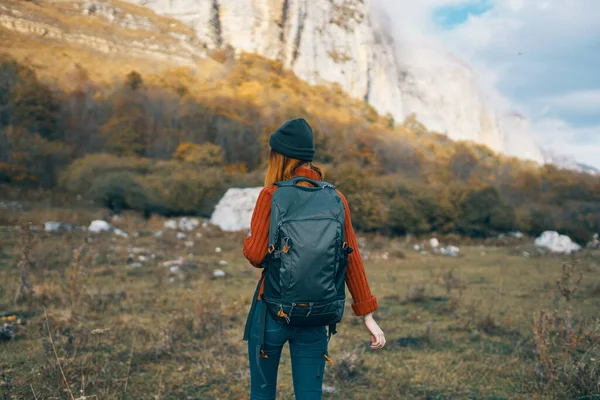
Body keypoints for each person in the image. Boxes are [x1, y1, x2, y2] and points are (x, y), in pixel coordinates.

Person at [242, 118, 386, 400]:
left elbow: (256, 255)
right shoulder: (335, 198)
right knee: (309, 395)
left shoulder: (271, 194)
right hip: (318, 313)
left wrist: (249, 241)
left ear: (279, 156)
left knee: (262, 393)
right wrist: (367, 315)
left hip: (272, 311)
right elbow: (351, 258)